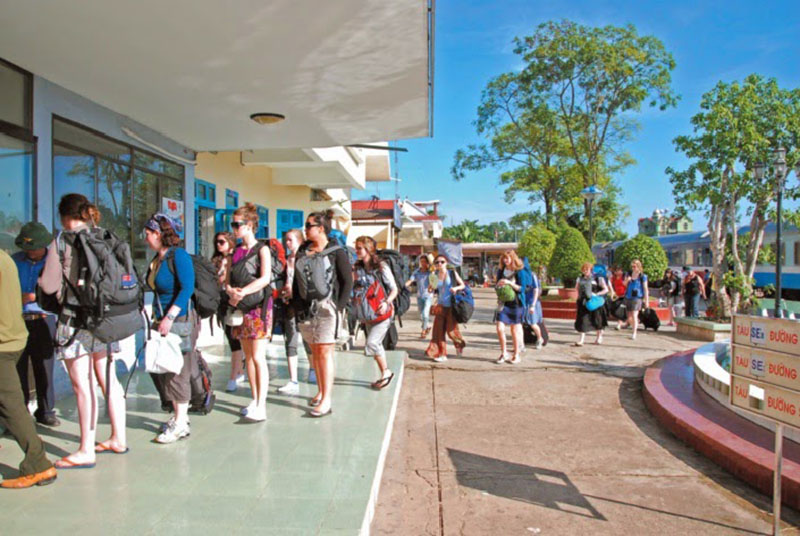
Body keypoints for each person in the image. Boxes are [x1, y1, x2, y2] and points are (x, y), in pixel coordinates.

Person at [39, 193, 128, 466]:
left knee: (82, 386)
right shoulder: (104, 235)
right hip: (104, 320)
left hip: (74, 323)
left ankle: (86, 449)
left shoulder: (62, 241)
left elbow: (50, 287)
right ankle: (118, 437)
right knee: (108, 380)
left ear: (64, 216)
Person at [0, 248, 57, 488]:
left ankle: (39, 463)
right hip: (14, 338)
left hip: (3, 344)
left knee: (11, 406)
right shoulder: (6, 258)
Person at [145, 213, 198, 443]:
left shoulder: (179, 256)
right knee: (167, 370)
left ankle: (181, 421)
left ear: (158, 233)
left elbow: (187, 288)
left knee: (178, 371)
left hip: (180, 321)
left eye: (148, 233)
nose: (145, 238)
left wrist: (169, 317)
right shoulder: (158, 259)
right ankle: (179, 418)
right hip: (163, 322)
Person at [293, 212, 353, 417]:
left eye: (309, 225)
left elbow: (347, 281)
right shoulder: (303, 250)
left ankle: (327, 399)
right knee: (315, 353)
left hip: (328, 309)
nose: (305, 228)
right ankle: (320, 390)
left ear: (321, 228)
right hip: (306, 309)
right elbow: (296, 280)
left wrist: (339, 307)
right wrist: (295, 305)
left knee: (325, 352)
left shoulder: (337, 252)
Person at [228, 203, 274, 422]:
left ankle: (262, 404)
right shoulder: (235, 252)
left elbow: (265, 278)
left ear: (248, 225)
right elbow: (227, 280)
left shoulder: (262, 249)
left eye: (237, 224)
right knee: (248, 357)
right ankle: (255, 400)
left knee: (257, 356)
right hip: (242, 308)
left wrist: (243, 292)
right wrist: (231, 293)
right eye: (233, 224)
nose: (234, 228)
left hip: (259, 308)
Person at [12, 222, 60, 426]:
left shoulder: (54, 262)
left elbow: (59, 291)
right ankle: (20, 411)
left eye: (34, 248)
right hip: (18, 320)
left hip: (43, 320)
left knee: (44, 367)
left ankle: (46, 410)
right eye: (27, 248)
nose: (30, 252)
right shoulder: (14, 261)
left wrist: (34, 297)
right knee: (17, 367)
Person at [353, 236, 398, 389]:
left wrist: (387, 302)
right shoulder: (358, 268)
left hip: (382, 313)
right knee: (375, 344)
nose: (356, 250)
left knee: (372, 343)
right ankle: (384, 373)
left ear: (368, 249)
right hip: (368, 315)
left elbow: (394, 289)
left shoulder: (381, 267)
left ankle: (386, 372)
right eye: (356, 247)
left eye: (359, 248)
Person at [211, 232, 245, 393]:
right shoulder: (216, 261)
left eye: (222, 242)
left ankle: (233, 375)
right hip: (222, 303)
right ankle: (239, 371)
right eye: (216, 242)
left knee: (235, 342)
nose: (218, 245)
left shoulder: (236, 259)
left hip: (235, 302)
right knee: (232, 339)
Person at [276, 228, 304, 395]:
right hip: (288, 303)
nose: (287, 243)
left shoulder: (306, 258)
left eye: (290, 240)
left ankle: (313, 369)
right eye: (285, 240)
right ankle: (293, 379)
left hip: (302, 304)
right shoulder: (286, 260)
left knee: (308, 339)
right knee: (291, 339)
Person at [424, 254, 467, 362]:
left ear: (446, 263)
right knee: (438, 331)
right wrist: (431, 285)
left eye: (442, 262)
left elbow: (463, 285)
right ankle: (442, 354)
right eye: (437, 262)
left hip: (451, 307)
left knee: (451, 331)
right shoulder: (434, 275)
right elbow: (431, 290)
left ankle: (459, 344)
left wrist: (456, 288)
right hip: (440, 307)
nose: (439, 264)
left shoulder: (452, 273)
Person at [494, 250, 526, 364]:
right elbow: (496, 285)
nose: (505, 260)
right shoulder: (501, 271)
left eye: (507, 258)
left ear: (513, 258)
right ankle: (504, 353)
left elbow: (523, 288)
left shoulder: (519, 272)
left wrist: (510, 283)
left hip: (516, 303)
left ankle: (516, 354)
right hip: (503, 303)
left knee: (514, 330)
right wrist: (499, 284)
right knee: (499, 328)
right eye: (504, 258)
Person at [573, 262, 609, 346]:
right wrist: (578, 299)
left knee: (597, 320)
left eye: (587, 269)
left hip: (594, 302)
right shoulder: (579, 279)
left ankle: (599, 337)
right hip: (583, 302)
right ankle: (581, 340)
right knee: (583, 320)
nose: (585, 271)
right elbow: (576, 289)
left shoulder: (597, 278)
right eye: (583, 269)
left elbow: (606, 289)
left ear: (591, 269)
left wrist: (597, 294)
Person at [405, 254, 434, 339]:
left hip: (428, 296)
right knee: (421, 316)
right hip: (419, 296)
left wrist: (432, 272)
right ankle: (427, 326)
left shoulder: (430, 272)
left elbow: (434, 283)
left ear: (428, 263)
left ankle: (423, 331)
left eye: (425, 262)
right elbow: (410, 280)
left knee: (425, 314)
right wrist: (403, 287)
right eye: (421, 262)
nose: (423, 263)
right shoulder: (416, 272)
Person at [623, 260, 649, 340]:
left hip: (637, 297)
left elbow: (645, 288)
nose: (633, 268)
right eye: (632, 266)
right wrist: (627, 280)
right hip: (628, 296)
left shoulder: (642, 276)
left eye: (634, 266)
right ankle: (635, 325)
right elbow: (624, 284)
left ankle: (634, 332)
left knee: (634, 315)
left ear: (638, 266)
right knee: (629, 316)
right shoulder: (628, 274)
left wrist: (646, 300)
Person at [523, 257, 544, 350]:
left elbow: (536, 290)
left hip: (531, 302)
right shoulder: (519, 274)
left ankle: (540, 339)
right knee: (520, 323)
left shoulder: (532, 275)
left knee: (533, 323)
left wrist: (533, 305)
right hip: (523, 302)